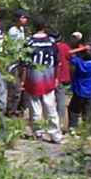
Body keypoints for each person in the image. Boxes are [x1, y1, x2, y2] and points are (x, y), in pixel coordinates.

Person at [21, 15, 61, 143]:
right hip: (48, 78)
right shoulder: (51, 42)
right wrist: (56, 77)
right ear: (45, 26)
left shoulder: (29, 42)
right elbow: (57, 63)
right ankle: (55, 135)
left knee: (35, 108)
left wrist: (23, 79)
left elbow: (24, 65)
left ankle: (38, 133)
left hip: (33, 79)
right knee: (50, 107)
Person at [68, 42, 91, 134]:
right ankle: (88, 131)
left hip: (79, 91)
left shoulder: (80, 63)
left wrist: (82, 48)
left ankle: (73, 129)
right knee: (88, 112)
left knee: (73, 110)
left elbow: (70, 52)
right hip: (89, 92)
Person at [5, 9, 29, 117]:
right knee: (14, 88)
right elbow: (13, 48)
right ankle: (11, 111)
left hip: (21, 62)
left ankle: (18, 109)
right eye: (23, 18)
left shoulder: (22, 30)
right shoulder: (12, 31)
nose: (25, 20)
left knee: (21, 87)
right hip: (13, 63)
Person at [50, 29, 72, 130]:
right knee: (60, 97)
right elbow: (70, 56)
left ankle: (50, 118)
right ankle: (61, 119)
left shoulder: (49, 47)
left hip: (49, 75)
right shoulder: (64, 47)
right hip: (61, 75)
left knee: (49, 98)